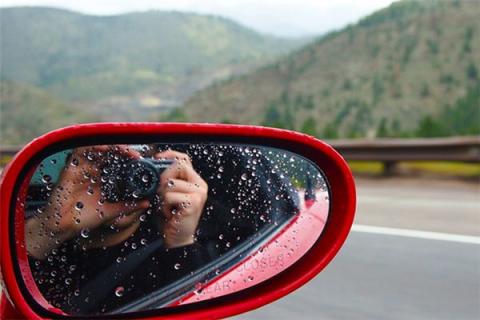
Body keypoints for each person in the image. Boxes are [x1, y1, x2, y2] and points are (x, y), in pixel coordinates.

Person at [25, 143, 300, 315]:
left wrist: (181, 239)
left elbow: (193, 305)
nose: (125, 178)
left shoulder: (169, 257)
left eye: (141, 165)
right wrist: (50, 227)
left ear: (164, 171)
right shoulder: (51, 238)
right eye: (107, 167)